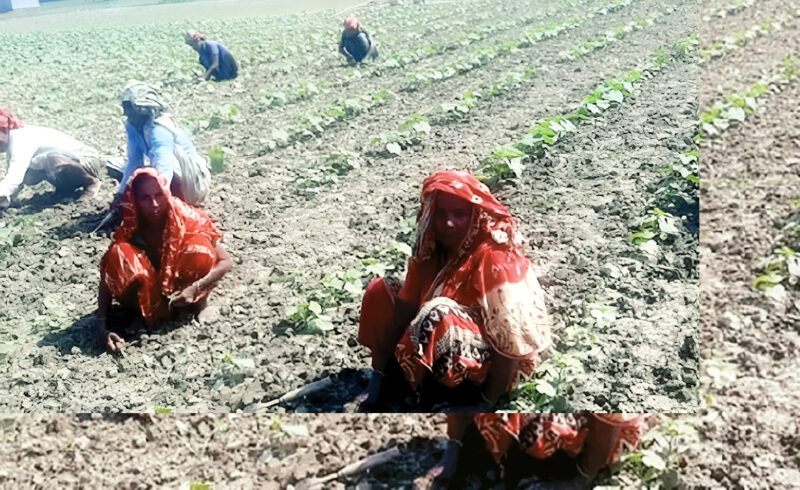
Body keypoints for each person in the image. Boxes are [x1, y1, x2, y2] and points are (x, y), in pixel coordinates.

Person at [358, 170, 551, 411]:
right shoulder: (432, 248)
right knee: (380, 291)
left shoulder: (494, 257)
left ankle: (449, 395)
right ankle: (398, 383)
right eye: (441, 214)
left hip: (498, 364)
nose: (448, 223)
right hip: (448, 340)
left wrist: (487, 402)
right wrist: (380, 379)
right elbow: (404, 309)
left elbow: (511, 342)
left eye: (459, 214)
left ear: (474, 213)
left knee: (437, 311)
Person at [97, 167, 232, 352]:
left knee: (198, 246)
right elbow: (107, 276)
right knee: (119, 253)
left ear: (166, 193)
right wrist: (102, 327)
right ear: (135, 200)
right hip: (153, 293)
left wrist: (195, 287)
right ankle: (142, 313)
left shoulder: (186, 218)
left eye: (158, 195)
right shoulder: (131, 226)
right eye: (145, 198)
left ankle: (200, 304)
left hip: (185, 289)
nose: (154, 204)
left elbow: (226, 261)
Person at [435, 413, 646, 489]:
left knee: (548, 432)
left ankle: (553, 470)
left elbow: (611, 422)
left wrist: (579, 481)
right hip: (532, 382)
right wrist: (452, 453)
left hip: (601, 433)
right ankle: (498, 462)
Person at [114, 80, 210, 212]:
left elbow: (165, 166)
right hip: (163, 171)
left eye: (130, 108)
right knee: (115, 166)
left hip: (191, 179)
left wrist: (157, 193)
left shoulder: (159, 129)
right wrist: (121, 194)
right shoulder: (133, 126)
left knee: (155, 179)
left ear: (143, 109)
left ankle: (171, 206)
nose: (127, 113)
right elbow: (134, 161)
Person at [0, 108, 102, 209]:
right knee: (29, 174)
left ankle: (91, 182)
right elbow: (15, 178)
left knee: (53, 160)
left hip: (86, 160)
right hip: (67, 162)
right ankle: (66, 189)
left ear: (3, 130)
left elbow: (15, 177)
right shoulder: (12, 143)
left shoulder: (21, 138)